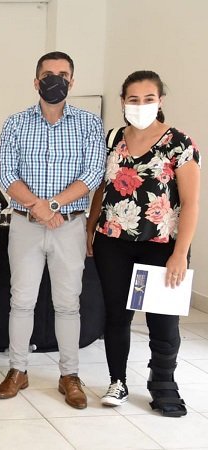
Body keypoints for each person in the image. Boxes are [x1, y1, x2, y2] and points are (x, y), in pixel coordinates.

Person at [0, 51, 105, 409]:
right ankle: (17, 370)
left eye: (62, 74)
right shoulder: (15, 123)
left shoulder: (89, 124)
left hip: (68, 226)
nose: (54, 79)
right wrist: (39, 208)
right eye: (48, 74)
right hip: (26, 225)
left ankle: (69, 375)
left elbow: (92, 174)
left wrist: (52, 205)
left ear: (72, 82)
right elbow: (5, 174)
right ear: (36, 81)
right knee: (21, 301)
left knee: (68, 305)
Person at [87, 70, 199, 417]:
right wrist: (91, 229)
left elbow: (192, 203)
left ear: (160, 101)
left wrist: (180, 253)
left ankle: (163, 384)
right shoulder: (112, 139)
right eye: (133, 100)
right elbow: (101, 190)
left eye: (148, 99)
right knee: (117, 316)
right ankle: (117, 381)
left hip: (162, 245)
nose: (140, 105)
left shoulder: (179, 144)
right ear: (123, 103)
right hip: (113, 242)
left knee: (162, 321)